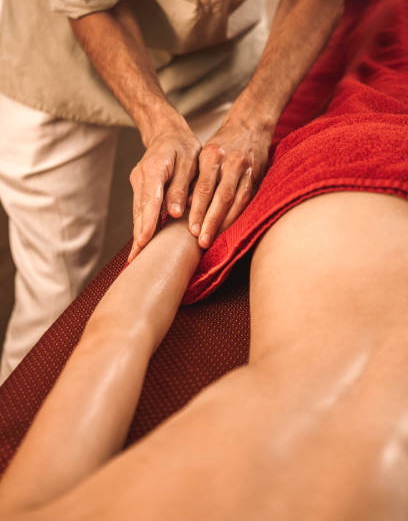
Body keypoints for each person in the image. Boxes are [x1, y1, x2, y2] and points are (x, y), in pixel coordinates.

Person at [0, 0, 370, 379]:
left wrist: (252, 121)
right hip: (56, 44)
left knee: (215, 256)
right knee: (52, 292)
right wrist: (159, 125)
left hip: (215, 49)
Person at [0, 189, 408, 520]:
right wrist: (196, 215)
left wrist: (199, 208)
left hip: (333, 200)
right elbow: (117, 333)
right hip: (335, 207)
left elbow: (117, 334)